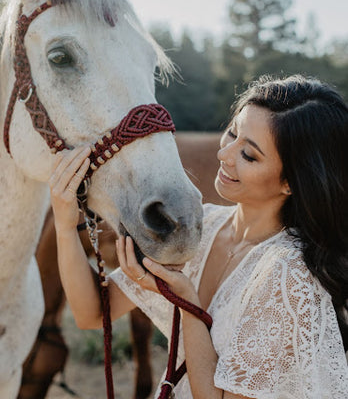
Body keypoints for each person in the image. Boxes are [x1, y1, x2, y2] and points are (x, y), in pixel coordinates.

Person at [50, 75, 348, 399]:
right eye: (232, 133)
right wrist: (66, 224)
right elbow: (93, 312)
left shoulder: (289, 275)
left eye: (248, 155)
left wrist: (187, 302)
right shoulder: (201, 227)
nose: (225, 155)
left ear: (290, 182)